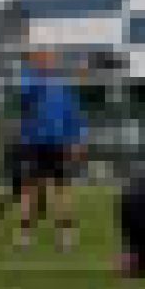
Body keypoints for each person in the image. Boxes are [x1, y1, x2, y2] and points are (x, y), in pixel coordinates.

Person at [15, 50, 87, 250]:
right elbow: (26, 99)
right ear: (33, 61)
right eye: (41, 57)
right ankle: (25, 234)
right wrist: (41, 76)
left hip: (58, 143)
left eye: (49, 57)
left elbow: (73, 113)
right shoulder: (27, 80)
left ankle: (65, 235)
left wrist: (78, 139)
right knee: (30, 188)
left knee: (62, 189)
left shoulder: (62, 86)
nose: (47, 60)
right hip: (33, 142)